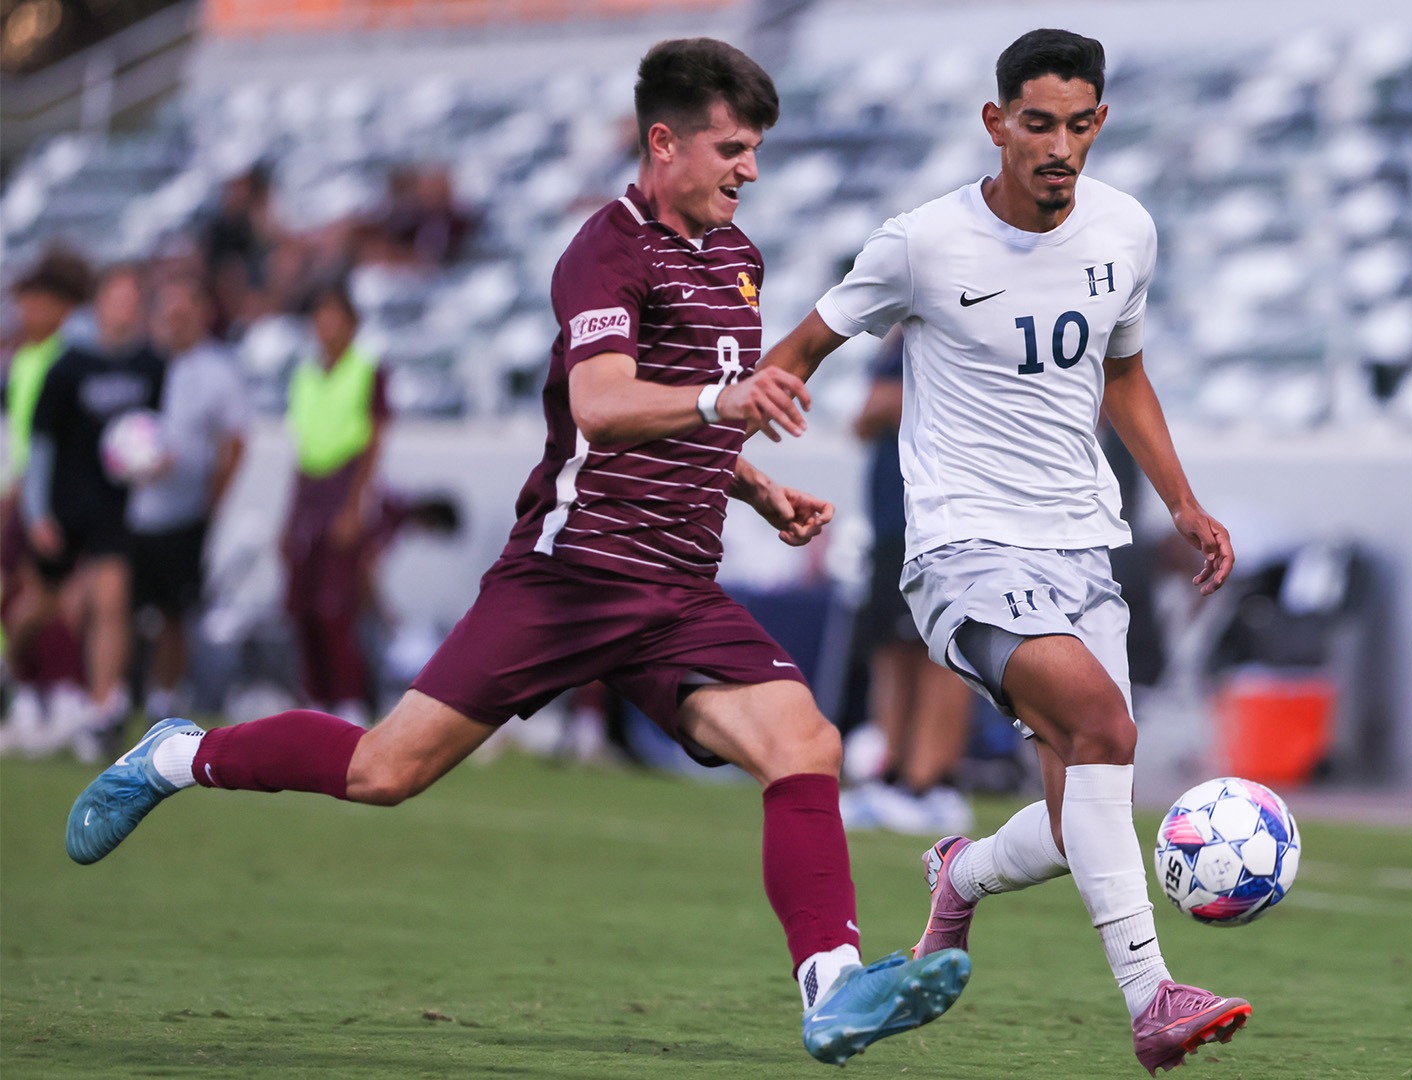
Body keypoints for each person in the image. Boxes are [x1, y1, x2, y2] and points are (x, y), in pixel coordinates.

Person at [64, 37, 967, 1066]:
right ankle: (179, 753)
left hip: (676, 587)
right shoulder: (605, 249)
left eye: (756, 150)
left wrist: (753, 486)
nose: (749, 170)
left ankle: (833, 991)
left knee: (804, 743)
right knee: (383, 772)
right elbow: (602, 403)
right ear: (663, 142)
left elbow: (692, 412)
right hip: (570, 574)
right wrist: (726, 401)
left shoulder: (738, 257)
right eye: (732, 148)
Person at [761, 29, 1248, 1075]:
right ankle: (1154, 1001)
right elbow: (799, 352)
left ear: (1100, 125)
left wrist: (1182, 502)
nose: (1057, 146)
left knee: (1088, 823)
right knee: (1104, 725)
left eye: (1078, 125)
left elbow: (1124, 374)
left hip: (1085, 546)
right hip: (963, 550)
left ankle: (962, 874)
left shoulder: (1126, 230)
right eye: (1037, 124)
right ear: (997, 125)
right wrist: (753, 466)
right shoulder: (921, 243)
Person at [13, 263, 167, 758]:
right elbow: (40, 447)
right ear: (99, 304)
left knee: (112, 602)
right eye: (115, 298)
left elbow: (157, 432)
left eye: (132, 299)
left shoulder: (150, 364)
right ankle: (10, 672)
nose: (124, 308)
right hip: (62, 509)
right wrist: (37, 515)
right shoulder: (68, 366)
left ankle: (104, 713)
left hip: (113, 511)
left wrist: (157, 461)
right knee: (34, 608)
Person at [840, 327, 977, 835]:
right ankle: (894, 773)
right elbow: (866, 418)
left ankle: (931, 781)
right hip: (892, 517)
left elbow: (878, 409)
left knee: (941, 649)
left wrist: (896, 402)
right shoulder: (901, 337)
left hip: (941, 516)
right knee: (890, 647)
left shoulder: (951, 327)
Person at [127, 275, 250, 719]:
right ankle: (116, 692)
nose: (173, 324)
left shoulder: (215, 371)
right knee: (122, 602)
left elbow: (234, 440)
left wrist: (211, 500)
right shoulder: (143, 364)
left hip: (182, 511)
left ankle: (166, 692)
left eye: (182, 314)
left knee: (174, 609)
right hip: (132, 508)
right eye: (167, 315)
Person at [0, 248, 93, 753]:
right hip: (22, 492)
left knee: (50, 599)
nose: (24, 313)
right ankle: (32, 694)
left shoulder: (70, 358)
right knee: (18, 596)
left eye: (34, 302)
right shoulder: (22, 360)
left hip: (54, 498)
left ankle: (65, 695)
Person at [281, 282, 387, 727]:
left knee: (336, 607)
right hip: (310, 491)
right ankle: (317, 696)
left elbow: (373, 440)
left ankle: (350, 700)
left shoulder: (367, 372)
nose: (325, 327)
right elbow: (303, 449)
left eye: (334, 317)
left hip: (344, 485)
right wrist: (289, 517)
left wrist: (354, 506)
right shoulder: (305, 375)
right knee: (301, 605)